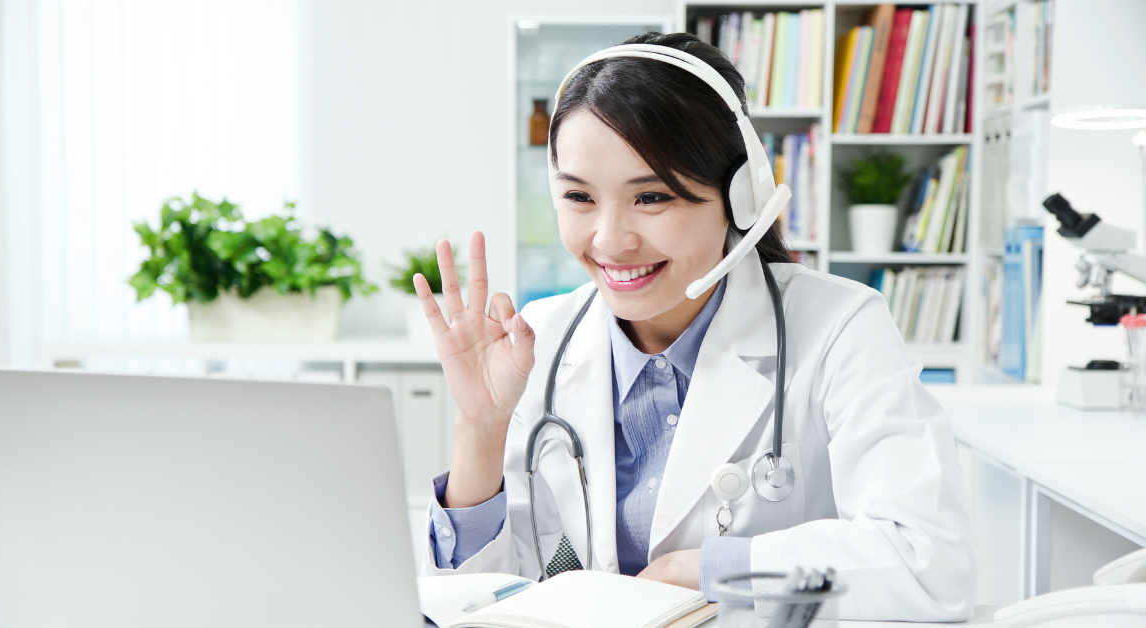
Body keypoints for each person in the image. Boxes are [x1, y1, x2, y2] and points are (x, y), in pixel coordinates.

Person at [411, 31, 976, 621]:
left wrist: (713, 568)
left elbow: (930, 563)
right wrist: (480, 427)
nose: (609, 240)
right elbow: (485, 600)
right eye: (579, 197)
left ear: (741, 199)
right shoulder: (539, 340)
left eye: (651, 197)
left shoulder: (839, 327)